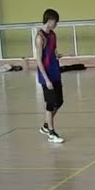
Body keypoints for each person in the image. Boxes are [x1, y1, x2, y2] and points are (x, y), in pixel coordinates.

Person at [35, 9, 65, 144]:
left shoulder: (53, 35)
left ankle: (46, 126)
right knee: (50, 103)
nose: (56, 25)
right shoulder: (40, 38)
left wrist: (57, 56)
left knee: (59, 101)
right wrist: (46, 79)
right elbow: (39, 60)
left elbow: (52, 52)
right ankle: (51, 132)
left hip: (55, 71)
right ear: (50, 20)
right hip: (46, 75)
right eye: (55, 22)